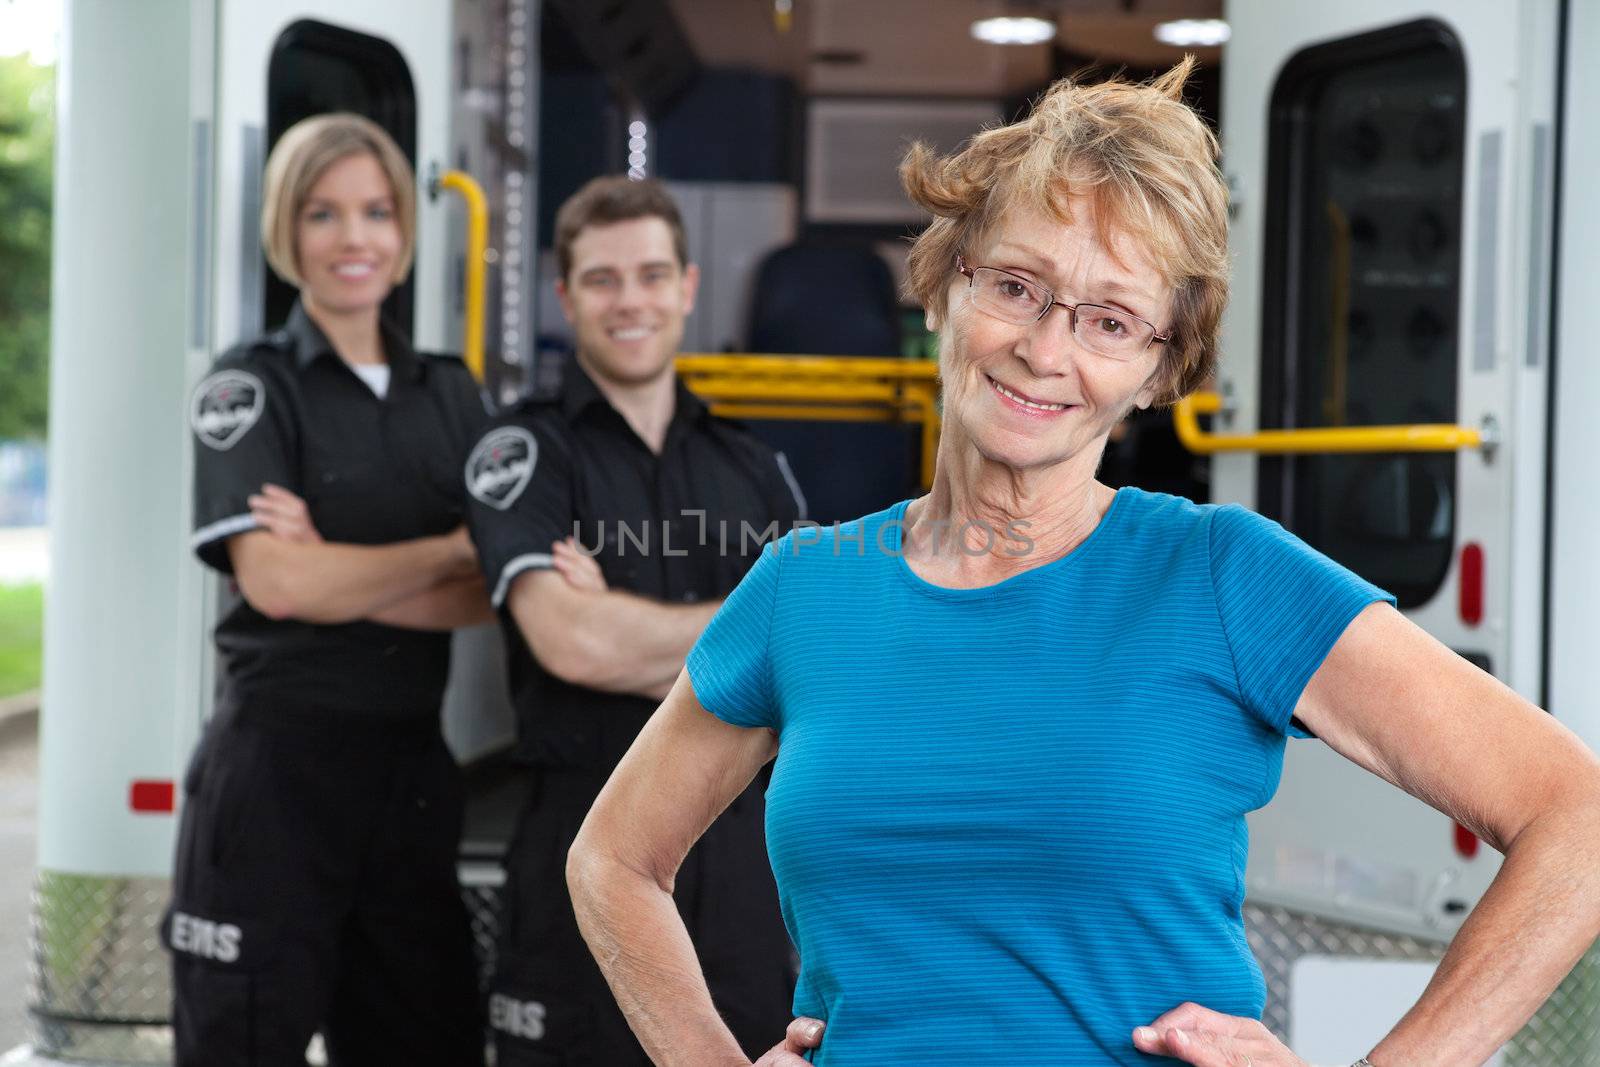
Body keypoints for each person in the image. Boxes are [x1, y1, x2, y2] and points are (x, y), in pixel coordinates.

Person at [564, 60, 1600, 1067]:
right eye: (1016, 285)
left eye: (1109, 319)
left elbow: (1577, 815)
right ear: (943, 288)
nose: (1046, 348)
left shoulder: (1223, 575)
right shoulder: (804, 586)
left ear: (1158, 367)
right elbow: (612, 859)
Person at [168, 112, 490, 1066]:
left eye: (377, 212)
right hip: (275, 779)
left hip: (411, 779)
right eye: (323, 214)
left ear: (404, 233)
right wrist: (443, 548)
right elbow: (272, 580)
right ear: (286, 233)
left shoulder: (450, 392)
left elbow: (489, 590)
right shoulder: (248, 388)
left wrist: (332, 571)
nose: (354, 238)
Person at [463, 176, 805, 1065]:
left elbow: (813, 657)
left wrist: (625, 627)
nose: (631, 301)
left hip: (741, 872)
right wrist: (751, 640)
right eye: (604, 279)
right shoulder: (521, 452)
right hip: (580, 852)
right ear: (565, 295)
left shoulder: (757, 467)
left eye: (652, 275)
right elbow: (570, 641)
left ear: (688, 288)